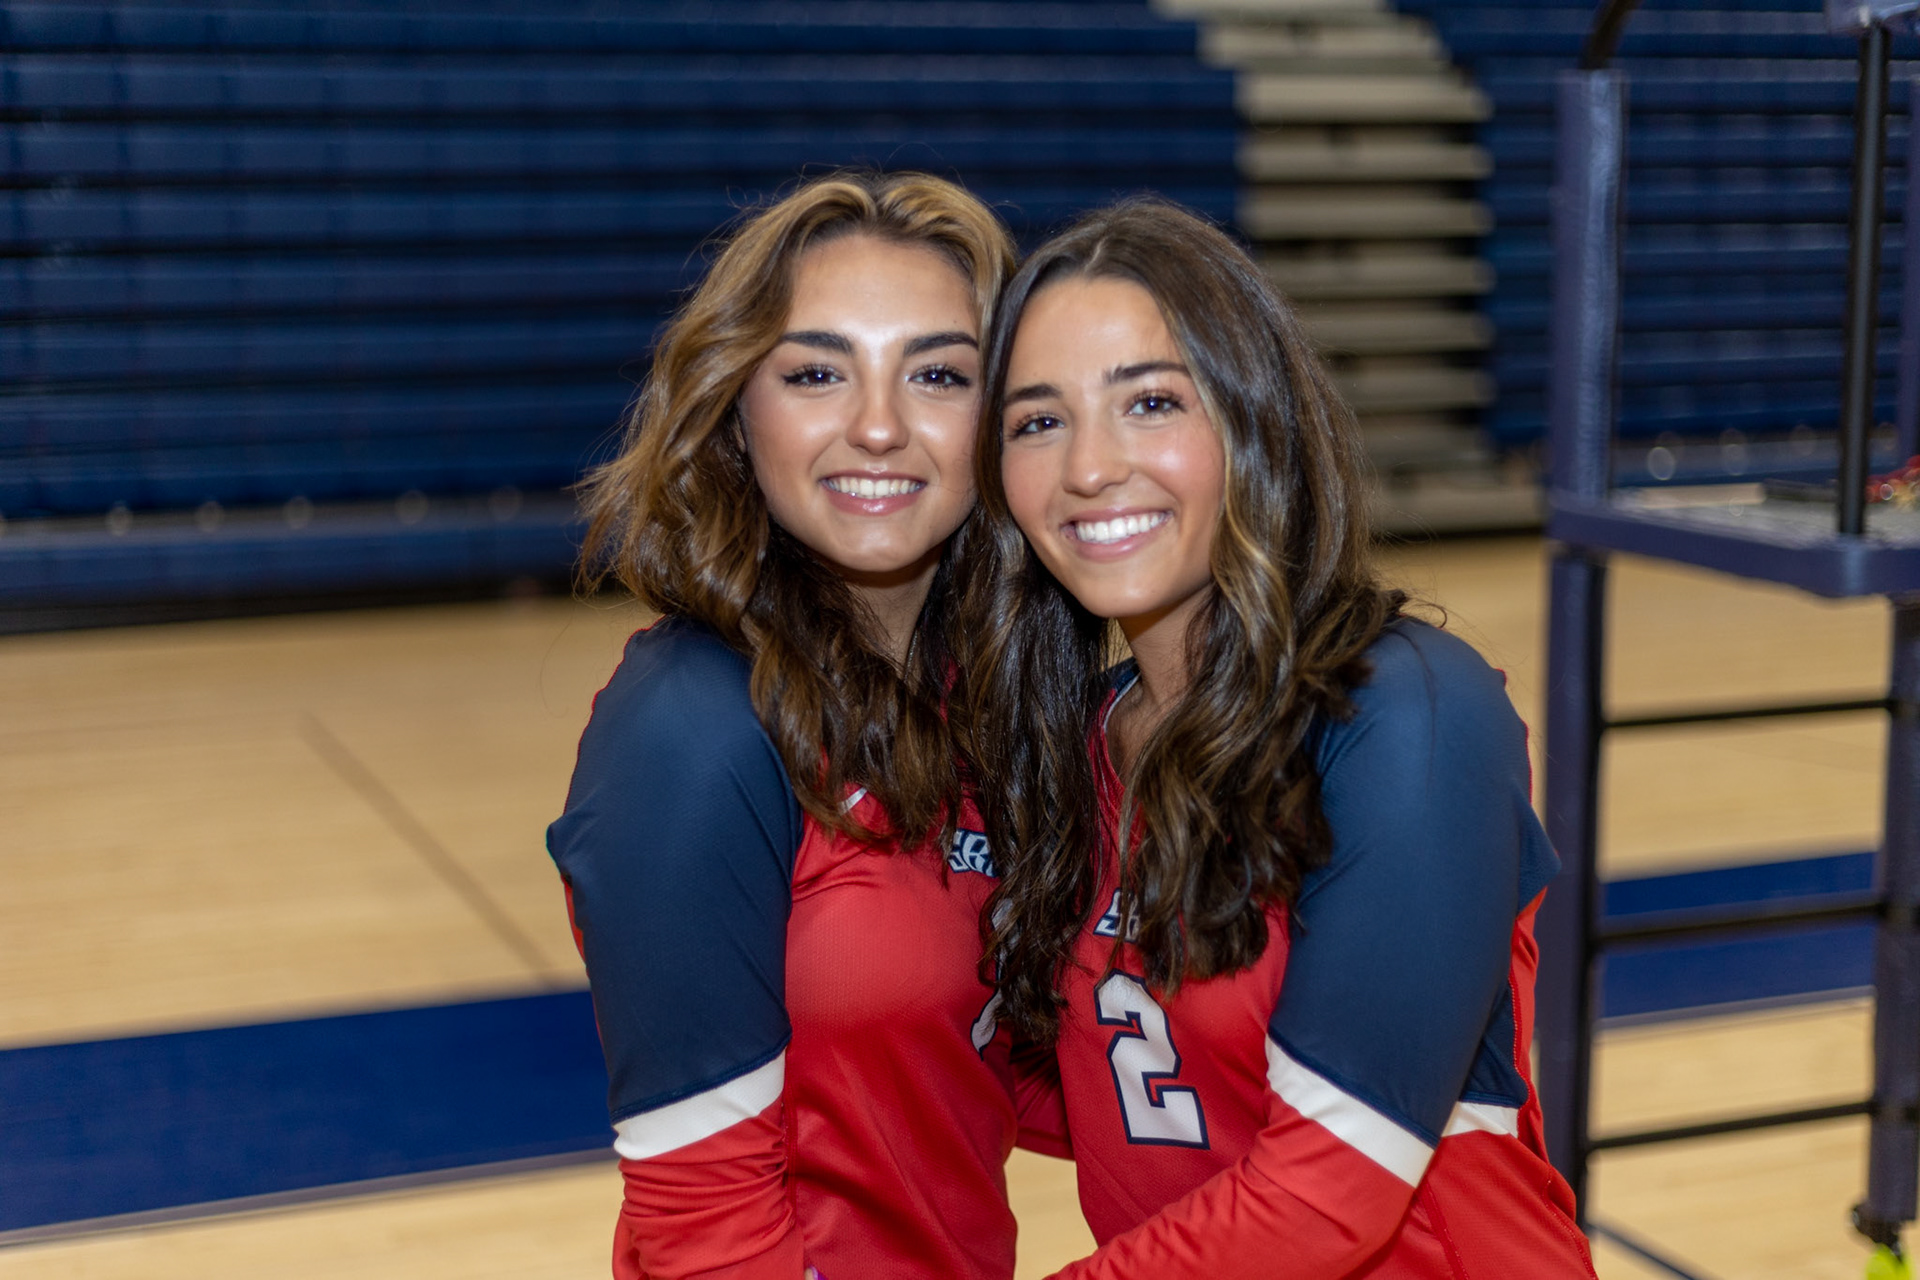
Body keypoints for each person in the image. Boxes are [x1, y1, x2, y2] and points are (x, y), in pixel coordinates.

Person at [955, 198, 1597, 1277]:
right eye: (1036, 420)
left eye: (1150, 401)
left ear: (1255, 421)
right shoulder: (1076, 747)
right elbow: (1096, 1094)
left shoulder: (1409, 715)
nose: (1089, 466)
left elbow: (1327, 1189)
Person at [547, 172, 1064, 1280]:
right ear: (737, 409)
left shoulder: (976, 694)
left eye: (936, 373)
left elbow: (965, 1060)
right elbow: (705, 1221)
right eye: (817, 372)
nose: (877, 426)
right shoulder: (692, 727)